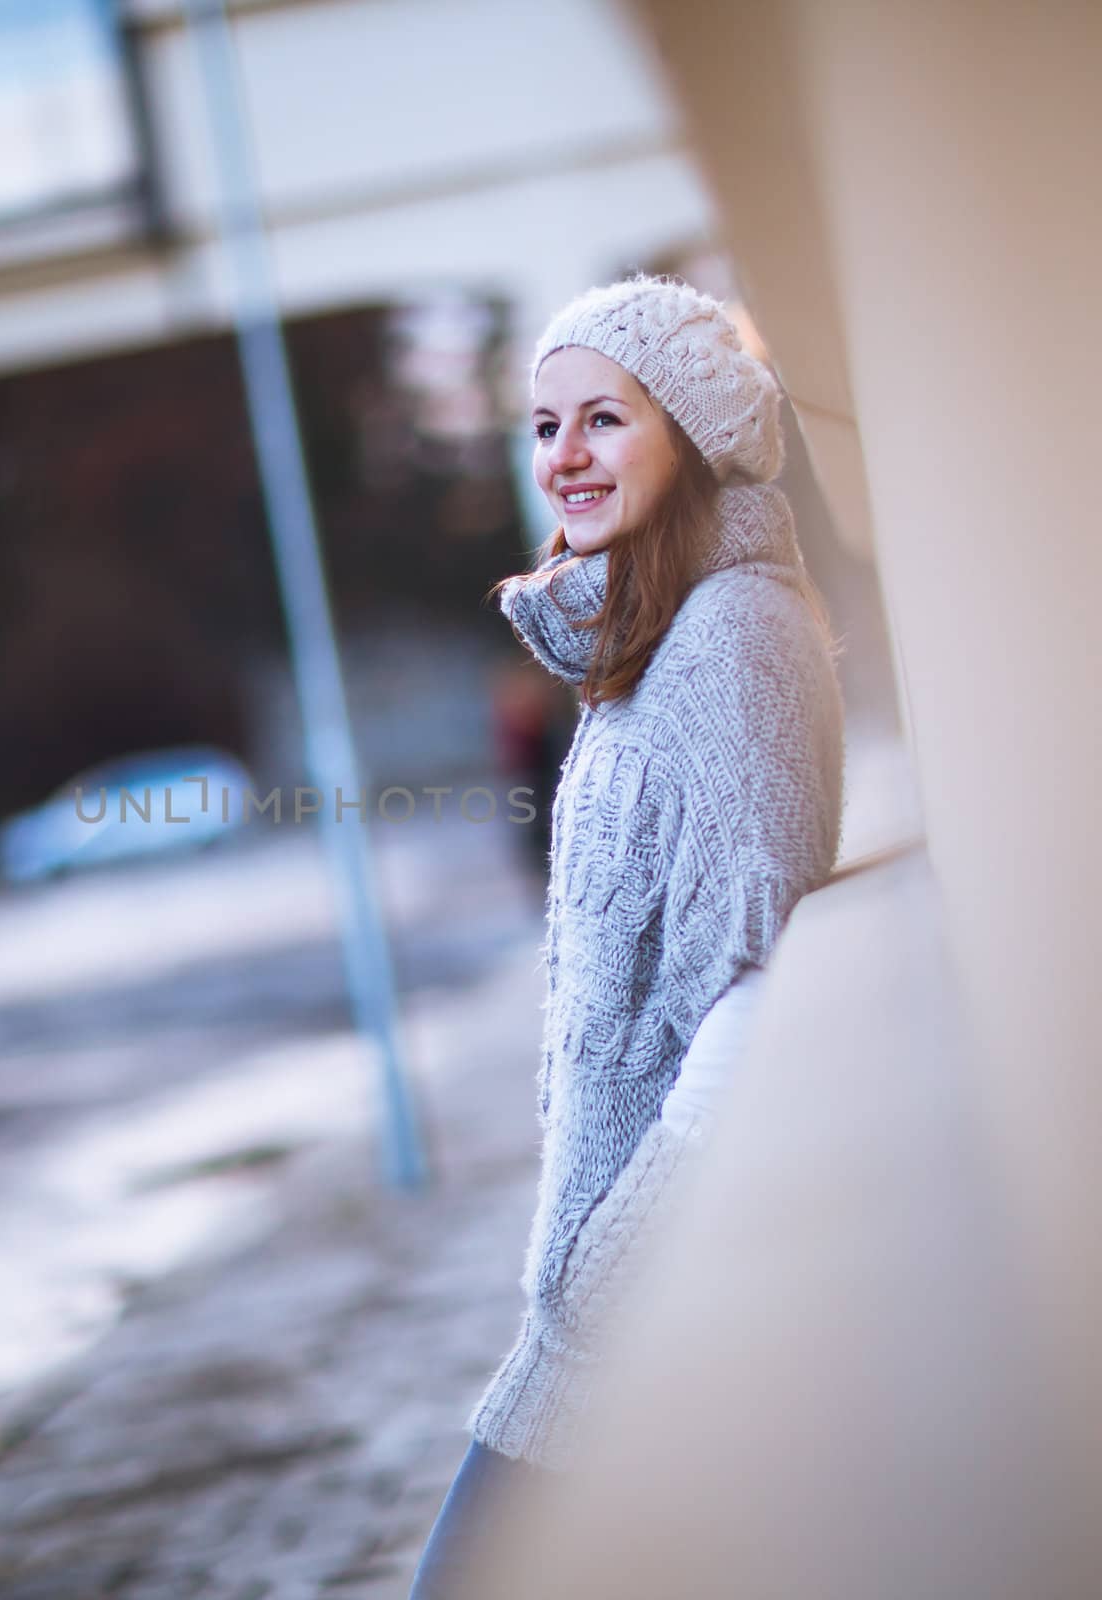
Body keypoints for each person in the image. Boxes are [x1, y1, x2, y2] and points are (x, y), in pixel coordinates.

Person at [408, 277, 845, 1597]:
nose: (565, 457)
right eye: (546, 426)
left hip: (645, 1304)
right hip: (610, 1303)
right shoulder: (655, 640)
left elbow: (752, 973)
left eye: (604, 419)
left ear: (696, 437)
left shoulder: (736, 640)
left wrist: (610, 1265)